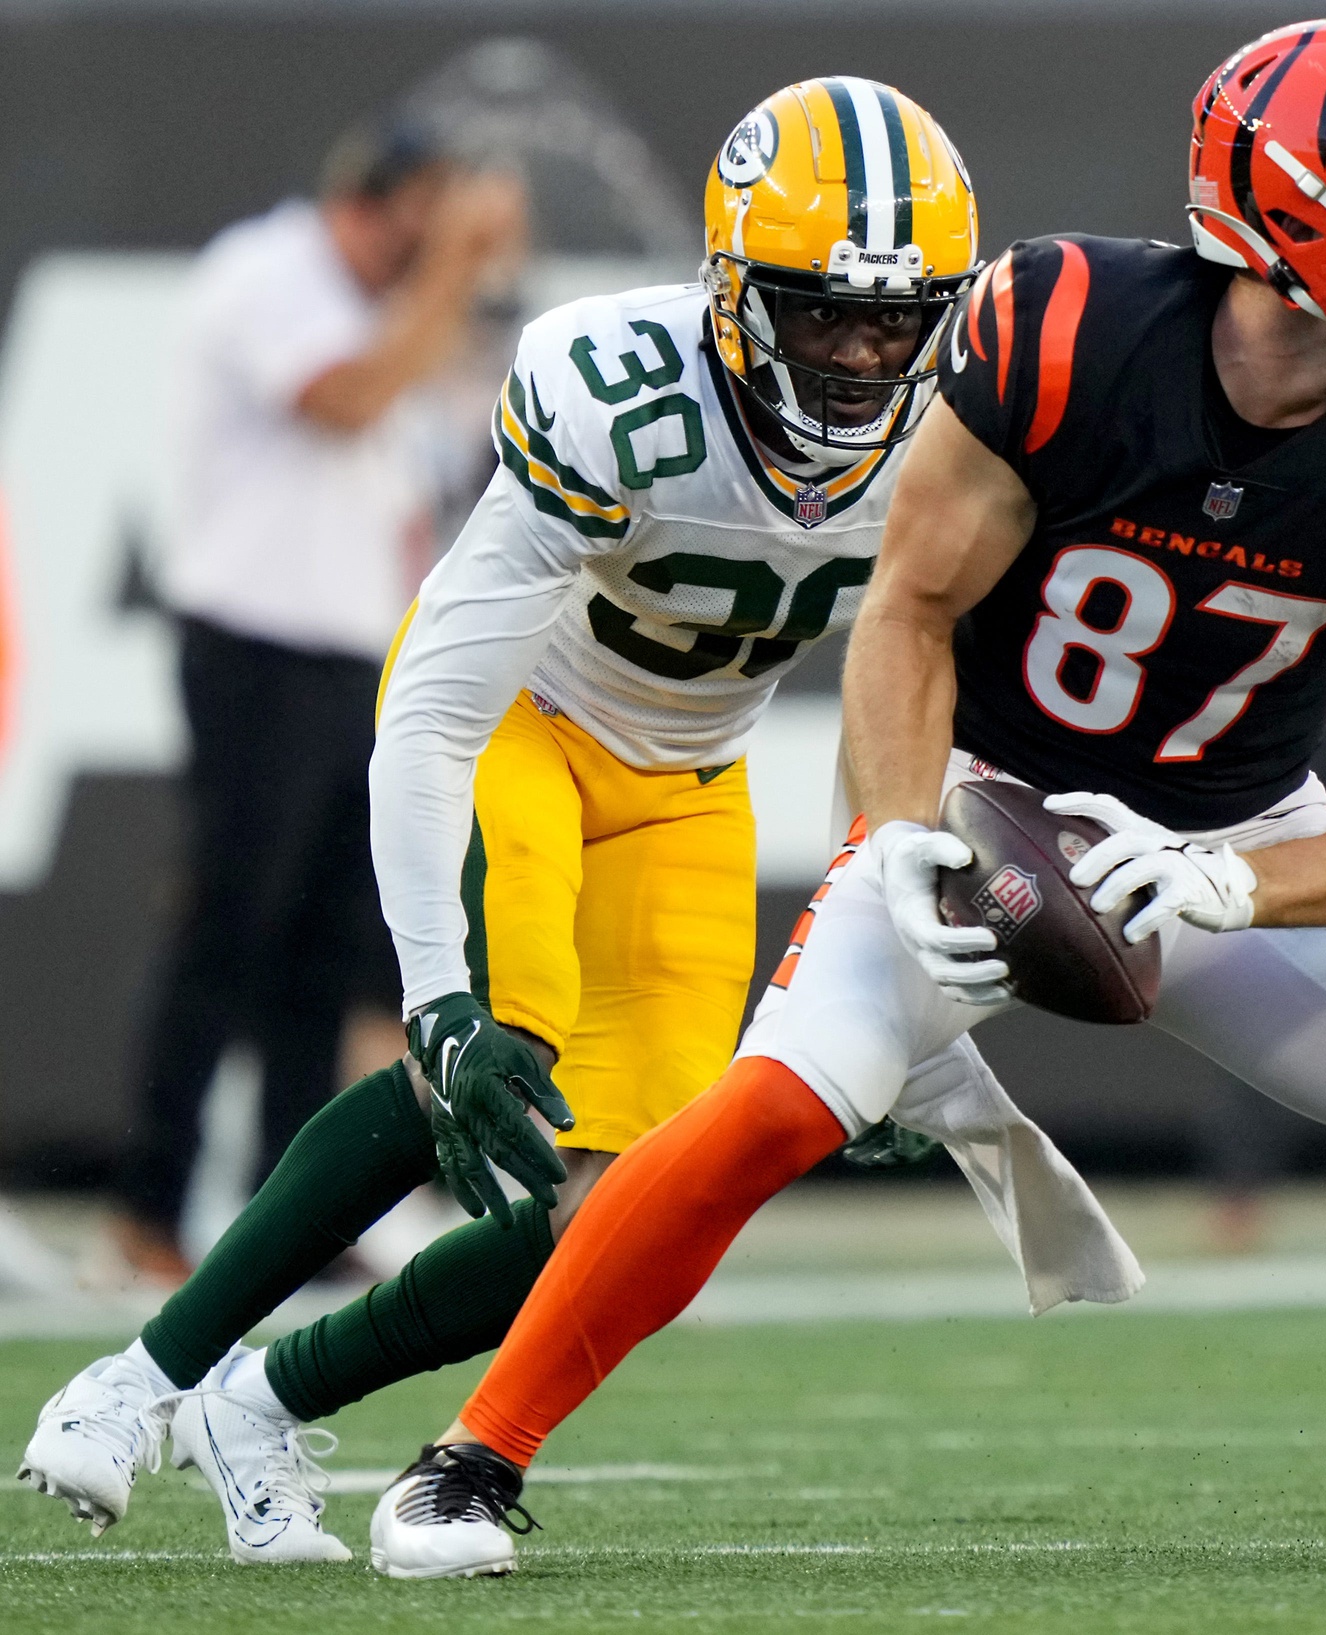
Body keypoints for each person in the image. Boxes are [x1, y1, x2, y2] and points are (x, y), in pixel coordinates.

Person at [368, 21, 1326, 1577]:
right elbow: (908, 606)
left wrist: (1240, 883)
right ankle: (469, 1457)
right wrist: (892, 838)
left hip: (1232, 833)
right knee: (771, 1102)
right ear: (1291, 207)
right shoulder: (1067, 326)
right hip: (988, 798)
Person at [18, 78, 1097, 1567]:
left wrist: (907, 1002)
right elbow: (439, 706)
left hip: (690, 782)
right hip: (523, 725)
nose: (858, 353)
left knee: (638, 1202)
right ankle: (137, 1377)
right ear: (730, 291)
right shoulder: (621, 393)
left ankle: (262, 1400)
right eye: (819, 312)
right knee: (496, 1050)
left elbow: (910, 701)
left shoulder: (966, 435)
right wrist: (435, 990)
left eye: (893, 316)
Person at [107, 120, 526, 1285]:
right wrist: (448, 270)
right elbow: (341, 398)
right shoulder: (266, 272)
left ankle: (278, 1214)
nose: (425, 252)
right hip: (253, 646)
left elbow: (455, 423)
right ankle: (148, 1203)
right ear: (364, 204)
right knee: (226, 928)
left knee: (329, 949)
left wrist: (466, 281)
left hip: (357, 659)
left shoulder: (398, 312)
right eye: (415, 224)